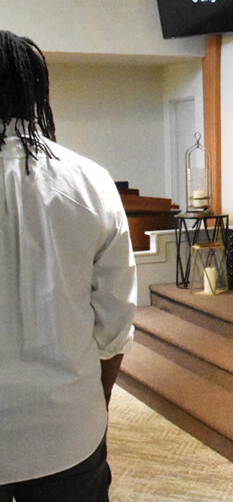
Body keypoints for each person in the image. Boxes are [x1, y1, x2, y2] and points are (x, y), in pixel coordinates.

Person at [0, 31, 137, 500]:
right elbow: (116, 320)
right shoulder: (89, 181)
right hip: (65, 427)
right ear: (36, 90)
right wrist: (93, 403)